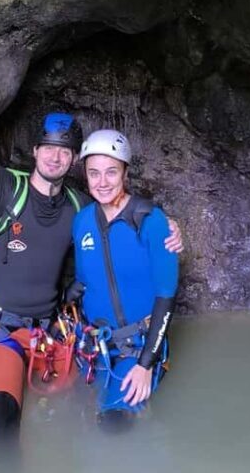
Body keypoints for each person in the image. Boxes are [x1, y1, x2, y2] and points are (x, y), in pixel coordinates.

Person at [0, 56, 182, 440]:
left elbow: (118, 234)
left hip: (53, 333)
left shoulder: (80, 208)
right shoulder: (6, 188)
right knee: (3, 421)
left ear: (73, 160)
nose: (55, 156)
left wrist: (172, 228)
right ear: (36, 151)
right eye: (48, 148)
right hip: (1, 328)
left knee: (86, 422)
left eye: (65, 151)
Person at [71, 129, 179, 427]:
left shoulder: (150, 220)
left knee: (115, 423)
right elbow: (84, 280)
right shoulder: (82, 221)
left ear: (125, 173)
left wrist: (145, 364)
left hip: (138, 345)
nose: (102, 182)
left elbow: (166, 297)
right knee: (72, 414)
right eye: (94, 173)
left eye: (111, 172)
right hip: (94, 345)